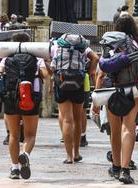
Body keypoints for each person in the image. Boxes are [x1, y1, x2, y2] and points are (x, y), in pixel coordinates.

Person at [93, 14, 138, 184]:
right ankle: (125, 170)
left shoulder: (110, 43)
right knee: (128, 128)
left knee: (115, 130)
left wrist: (96, 98)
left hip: (111, 90)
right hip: (132, 90)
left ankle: (116, 167)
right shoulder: (135, 44)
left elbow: (101, 74)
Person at [0, 32, 49, 179]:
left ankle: (14, 169)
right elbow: (45, 75)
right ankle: (24, 154)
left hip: (10, 98)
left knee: (13, 134)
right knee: (30, 135)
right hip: (31, 99)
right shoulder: (37, 59)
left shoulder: (6, 59)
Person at [50, 33, 99, 164]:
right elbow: (95, 57)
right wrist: (90, 71)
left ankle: (69, 156)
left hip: (61, 82)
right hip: (79, 82)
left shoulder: (57, 45)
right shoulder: (82, 46)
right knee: (77, 119)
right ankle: (77, 153)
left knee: (67, 119)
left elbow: (51, 64)